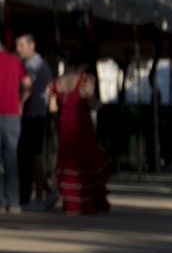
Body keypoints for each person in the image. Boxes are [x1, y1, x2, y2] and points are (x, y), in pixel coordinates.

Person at [47, 48, 109, 215]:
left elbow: (52, 108)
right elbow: (90, 102)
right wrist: (98, 105)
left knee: (67, 160)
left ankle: (70, 204)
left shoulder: (56, 82)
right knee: (85, 160)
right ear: (83, 65)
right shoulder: (85, 80)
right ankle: (86, 203)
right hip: (82, 124)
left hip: (64, 124)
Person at [15, 34, 52, 210]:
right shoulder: (41, 64)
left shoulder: (32, 65)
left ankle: (38, 196)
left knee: (33, 155)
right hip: (37, 113)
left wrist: (19, 106)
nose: (18, 49)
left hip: (32, 114)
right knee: (32, 155)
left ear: (32, 45)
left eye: (21, 45)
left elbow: (26, 87)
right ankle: (46, 191)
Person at [0, 38, 26, 213]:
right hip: (13, 114)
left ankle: (1, 202)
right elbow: (28, 84)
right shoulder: (15, 61)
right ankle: (14, 201)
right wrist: (21, 103)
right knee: (11, 158)